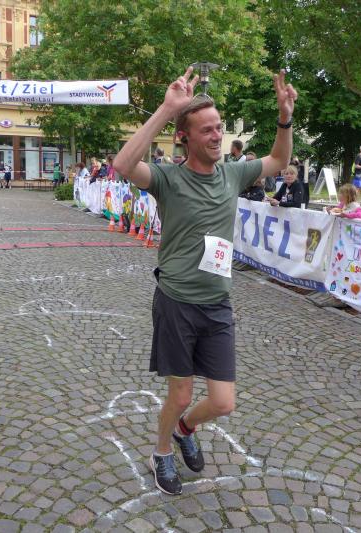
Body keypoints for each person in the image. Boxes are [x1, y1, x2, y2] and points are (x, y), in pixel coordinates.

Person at [112, 66, 297, 495]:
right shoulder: (168, 179)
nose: (217, 136)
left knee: (223, 401)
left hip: (217, 303)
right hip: (177, 301)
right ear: (185, 137)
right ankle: (162, 452)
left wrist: (284, 118)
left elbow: (279, 161)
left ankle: (184, 429)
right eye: (207, 130)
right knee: (179, 394)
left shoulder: (233, 174)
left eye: (219, 128)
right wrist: (167, 109)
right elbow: (123, 165)